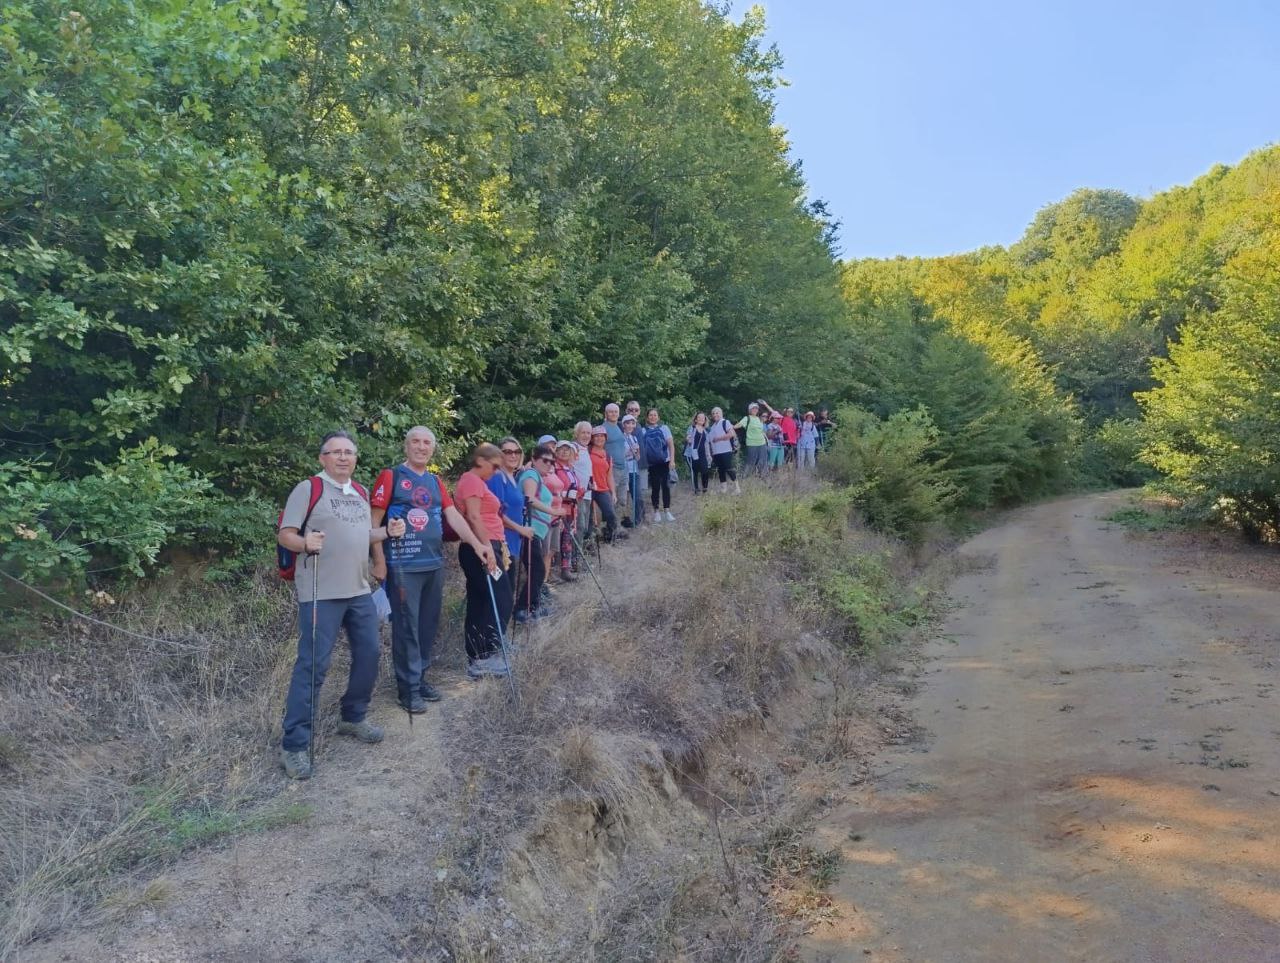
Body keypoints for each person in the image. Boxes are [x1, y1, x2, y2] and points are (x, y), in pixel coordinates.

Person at [276, 430, 407, 781]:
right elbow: (285, 534)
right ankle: (294, 744)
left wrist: (388, 532)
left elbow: (363, 534)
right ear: (323, 458)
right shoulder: (309, 488)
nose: (343, 458)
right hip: (320, 592)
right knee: (313, 666)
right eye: (335, 453)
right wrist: (305, 542)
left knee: (369, 653)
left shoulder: (360, 491)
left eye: (349, 452)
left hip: (358, 589)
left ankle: (352, 717)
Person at [371, 426, 494, 714]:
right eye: (415, 441)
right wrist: (378, 561)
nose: (421, 447)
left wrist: (478, 545)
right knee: (406, 628)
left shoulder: (435, 481)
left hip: (433, 564)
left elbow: (453, 515)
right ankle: (408, 689)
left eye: (427, 442)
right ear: (406, 446)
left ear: (433, 449)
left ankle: (420, 677)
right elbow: (374, 520)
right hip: (402, 565)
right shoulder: (391, 476)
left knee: (427, 625)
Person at [455, 444, 513, 679]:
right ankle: (487, 655)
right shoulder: (471, 480)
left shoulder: (476, 482)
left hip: (484, 546)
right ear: (481, 460)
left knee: (481, 601)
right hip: (480, 547)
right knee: (502, 598)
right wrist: (488, 549)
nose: (497, 471)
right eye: (495, 465)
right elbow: (474, 516)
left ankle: (479, 656)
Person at [515, 443, 564, 622]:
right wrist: (554, 512)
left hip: (536, 530)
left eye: (552, 462)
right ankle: (523, 609)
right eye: (545, 460)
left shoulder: (538, 477)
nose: (550, 465)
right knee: (537, 569)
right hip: (528, 529)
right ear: (534, 459)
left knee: (537, 569)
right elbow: (529, 500)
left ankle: (533, 606)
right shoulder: (531, 474)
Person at [489, 437, 537, 591]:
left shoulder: (512, 477)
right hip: (499, 544)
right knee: (502, 595)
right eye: (507, 452)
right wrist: (521, 529)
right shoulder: (497, 477)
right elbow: (494, 513)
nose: (513, 455)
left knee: (506, 592)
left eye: (517, 451)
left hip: (511, 544)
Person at [588, 425, 625, 542]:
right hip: (588, 488)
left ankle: (610, 537)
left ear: (605, 438)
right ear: (592, 438)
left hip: (603, 489)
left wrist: (613, 493)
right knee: (589, 517)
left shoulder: (607, 456)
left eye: (602, 436)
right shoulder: (587, 452)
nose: (599, 438)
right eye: (596, 436)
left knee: (610, 514)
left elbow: (609, 476)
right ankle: (589, 540)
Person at [553, 441, 582, 581]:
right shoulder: (553, 468)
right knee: (557, 540)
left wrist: (582, 490)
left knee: (567, 540)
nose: (564, 452)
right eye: (561, 449)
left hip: (571, 509)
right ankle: (554, 571)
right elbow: (551, 488)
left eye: (567, 450)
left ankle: (566, 569)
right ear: (555, 451)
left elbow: (576, 488)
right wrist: (566, 494)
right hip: (558, 509)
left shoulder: (570, 468)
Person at [642, 408, 676, 521]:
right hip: (652, 463)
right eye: (650, 415)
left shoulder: (664, 428)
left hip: (664, 461)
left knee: (666, 486)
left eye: (655, 415)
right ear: (647, 418)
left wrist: (672, 460)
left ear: (658, 417)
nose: (653, 417)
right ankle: (656, 511)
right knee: (655, 487)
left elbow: (671, 445)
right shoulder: (643, 430)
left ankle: (667, 510)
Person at [601, 403, 630, 525]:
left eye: (616, 411)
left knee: (622, 500)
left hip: (624, 467)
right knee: (612, 499)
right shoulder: (603, 429)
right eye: (611, 412)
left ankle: (617, 526)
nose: (613, 414)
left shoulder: (619, 427)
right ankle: (610, 528)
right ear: (606, 414)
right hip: (612, 469)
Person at [707, 406, 741, 495]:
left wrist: (718, 438)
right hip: (716, 452)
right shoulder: (713, 426)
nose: (715, 415)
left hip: (726, 450)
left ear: (721, 413)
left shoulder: (725, 422)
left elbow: (731, 434)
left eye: (717, 412)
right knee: (720, 470)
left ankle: (737, 488)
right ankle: (723, 488)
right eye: (713, 413)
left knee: (729, 468)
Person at [622, 413, 645, 525]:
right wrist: (630, 452)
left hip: (634, 470)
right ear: (624, 425)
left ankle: (638, 520)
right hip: (625, 471)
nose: (630, 426)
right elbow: (620, 455)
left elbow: (638, 457)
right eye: (628, 423)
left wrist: (637, 453)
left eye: (632, 423)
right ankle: (624, 520)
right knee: (624, 498)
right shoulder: (621, 438)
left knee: (638, 496)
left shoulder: (634, 437)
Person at [684, 412, 712, 495]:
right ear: (696, 419)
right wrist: (689, 440)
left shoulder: (706, 431)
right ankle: (696, 489)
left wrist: (709, 455)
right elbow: (688, 437)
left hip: (703, 454)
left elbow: (706, 444)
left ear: (705, 420)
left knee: (705, 471)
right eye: (699, 417)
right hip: (693, 453)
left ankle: (705, 489)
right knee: (695, 471)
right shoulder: (692, 428)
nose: (701, 419)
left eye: (703, 417)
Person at [736, 403, 767, 476]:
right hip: (752, 443)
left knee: (762, 462)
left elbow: (761, 431)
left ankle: (763, 477)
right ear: (750, 410)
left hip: (762, 443)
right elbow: (737, 426)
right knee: (750, 462)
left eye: (756, 408)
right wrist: (728, 427)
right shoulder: (747, 418)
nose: (755, 410)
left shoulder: (758, 419)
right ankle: (745, 477)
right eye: (753, 408)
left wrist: (767, 441)